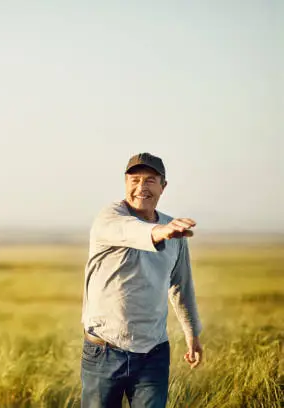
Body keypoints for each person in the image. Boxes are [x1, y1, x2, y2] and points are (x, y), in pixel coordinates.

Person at [80, 152, 203, 408]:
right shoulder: (110, 218)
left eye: (149, 180)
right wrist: (160, 231)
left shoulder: (173, 230)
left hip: (153, 353)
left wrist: (192, 335)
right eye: (134, 180)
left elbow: (180, 285)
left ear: (163, 186)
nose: (141, 187)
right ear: (125, 182)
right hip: (104, 350)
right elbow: (131, 230)